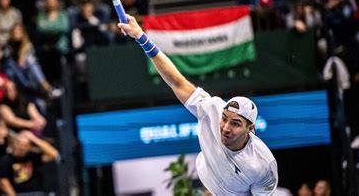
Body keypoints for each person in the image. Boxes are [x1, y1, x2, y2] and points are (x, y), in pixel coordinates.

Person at [117, 15, 278, 195]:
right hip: (208, 176)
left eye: (236, 123)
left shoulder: (263, 166)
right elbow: (177, 82)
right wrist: (141, 37)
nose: (225, 127)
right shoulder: (212, 109)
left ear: (251, 129)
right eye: (224, 118)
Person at [0, 130, 59, 195]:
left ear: (29, 147)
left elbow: (53, 154)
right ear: (14, 143)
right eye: (18, 143)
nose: (21, 147)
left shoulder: (31, 156)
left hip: (34, 193)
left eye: (24, 145)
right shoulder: (5, 160)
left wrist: (34, 139)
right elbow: (4, 183)